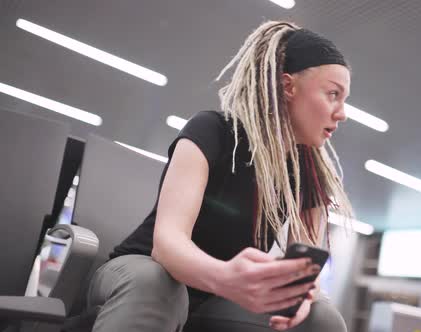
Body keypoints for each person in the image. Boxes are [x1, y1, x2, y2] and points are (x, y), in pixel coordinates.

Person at [86, 20, 355, 331]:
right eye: (333, 94)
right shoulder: (212, 130)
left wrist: (300, 298)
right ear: (287, 86)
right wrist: (225, 276)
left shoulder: (311, 174)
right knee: (158, 285)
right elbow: (167, 244)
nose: (342, 112)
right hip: (144, 270)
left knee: (321, 318)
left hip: (216, 295)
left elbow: (305, 272)